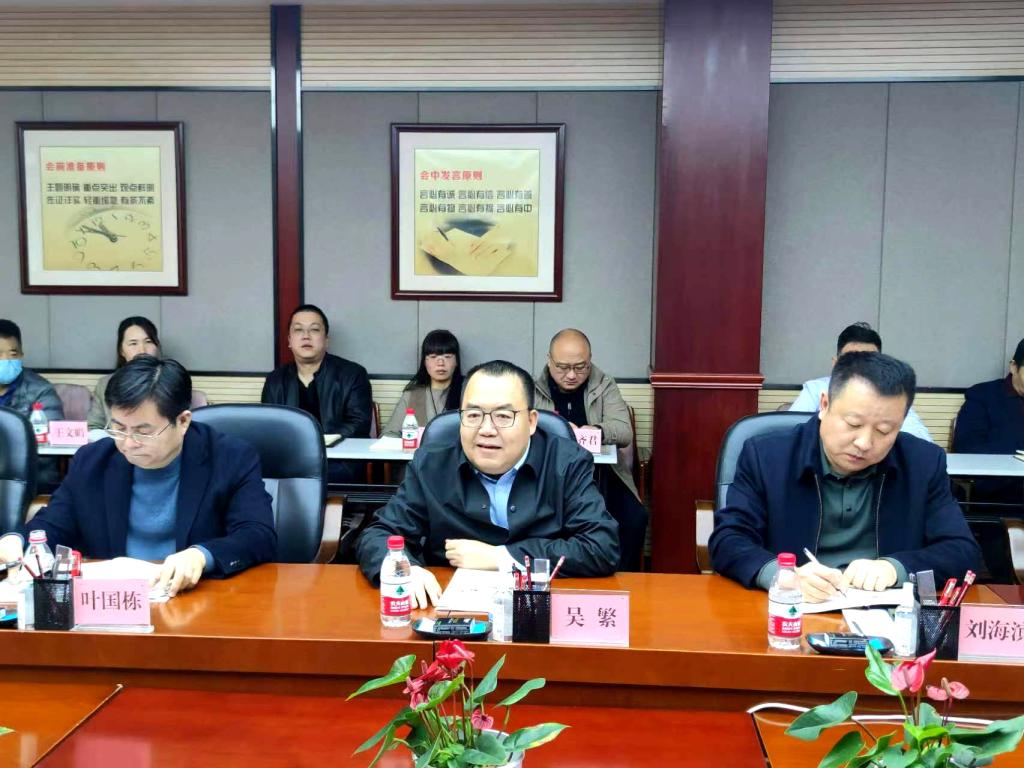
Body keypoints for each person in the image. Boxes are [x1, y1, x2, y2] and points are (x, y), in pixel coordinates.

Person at [710, 351, 981, 602]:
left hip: (885, 615)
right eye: (853, 424)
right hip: (789, 610)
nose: (864, 442)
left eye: (884, 430)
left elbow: (962, 550)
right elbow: (729, 540)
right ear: (824, 404)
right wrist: (782, 576)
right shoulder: (767, 457)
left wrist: (895, 568)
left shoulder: (922, 462)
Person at [0, 356, 276, 596]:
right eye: (119, 428)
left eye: (143, 432)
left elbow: (258, 534)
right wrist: (17, 540)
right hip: (114, 604)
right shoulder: (93, 461)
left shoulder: (230, 458)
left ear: (183, 421)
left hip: (198, 600)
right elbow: (54, 524)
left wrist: (201, 556)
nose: (128, 443)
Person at [356, 360, 620, 607]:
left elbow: (601, 546)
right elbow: (379, 534)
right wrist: (405, 569)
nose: (486, 429)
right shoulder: (432, 464)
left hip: (541, 608)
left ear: (531, 422)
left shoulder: (566, 462)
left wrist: (502, 557)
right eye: (473, 415)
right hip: (447, 608)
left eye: (503, 416)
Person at [534, 328, 648, 571]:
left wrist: (594, 430)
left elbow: (624, 431)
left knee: (634, 517)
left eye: (580, 367)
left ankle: (621, 577)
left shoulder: (604, 384)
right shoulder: (532, 388)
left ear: (590, 360)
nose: (571, 375)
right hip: (550, 475)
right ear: (549, 360)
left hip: (604, 473)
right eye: (563, 367)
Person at [261, 304, 372, 483]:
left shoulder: (353, 374)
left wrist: (320, 441)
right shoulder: (275, 380)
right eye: (298, 330)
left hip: (338, 458)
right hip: (289, 457)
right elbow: (268, 426)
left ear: (326, 339)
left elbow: (359, 424)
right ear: (289, 340)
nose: (306, 336)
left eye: (314, 329)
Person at [791, 322, 932, 442]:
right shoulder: (815, 389)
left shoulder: (891, 394)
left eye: (868, 361)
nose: (860, 369)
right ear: (835, 363)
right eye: (851, 360)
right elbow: (791, 431)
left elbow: (921, 440)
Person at [0, 319, 64, 489]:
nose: (6, 360)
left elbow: (49, 445)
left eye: (13, 354)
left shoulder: (41, 390)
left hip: (31, 479)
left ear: (21, 355)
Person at [383, 329, 463, 436]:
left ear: (456, 361)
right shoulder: (412, 394)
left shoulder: (467, 392)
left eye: (447, 357)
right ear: (424, 362)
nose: (440, 363)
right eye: (433, 357)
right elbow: (389, 434)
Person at [87, 316, 161, 430]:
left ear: (157, 346)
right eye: (133, 343)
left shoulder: (173, 381)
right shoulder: (105, 384)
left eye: (148, 342)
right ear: (121, 351)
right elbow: (93, 426)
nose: (142, 350)